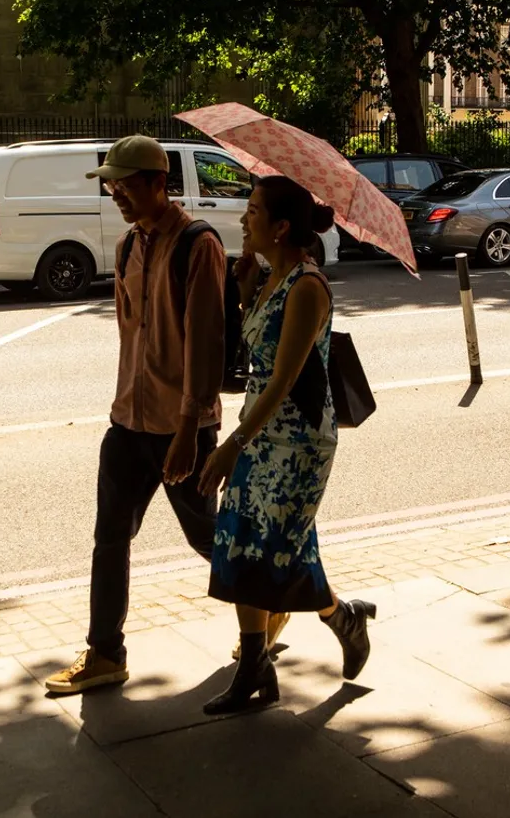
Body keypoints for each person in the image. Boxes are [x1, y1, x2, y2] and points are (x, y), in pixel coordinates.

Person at [45, 136, 288, 694]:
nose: (116, 195)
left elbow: (205, 343)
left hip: (182, 430)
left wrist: (187, 430)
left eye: (125, 184)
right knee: (110, 540)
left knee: (211, 541)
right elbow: (134, 337)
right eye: (111, 185)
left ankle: (269, 602)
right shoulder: (130, 244)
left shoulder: (196, 244)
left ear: (159, 183)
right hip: (127, 423)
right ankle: (106, 653)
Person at [197, 175, 375, 715]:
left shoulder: (307, 287)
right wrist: (247, 289)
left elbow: (282, 377)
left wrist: (232, 443)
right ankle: (261, 665)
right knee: (241, 539)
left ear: (280, 226)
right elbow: (252, 353)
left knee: (273, 550)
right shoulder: (272, 278)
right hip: (260, 428)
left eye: (252, 211)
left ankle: (340, 619)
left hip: (296, 440)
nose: (243, 220)